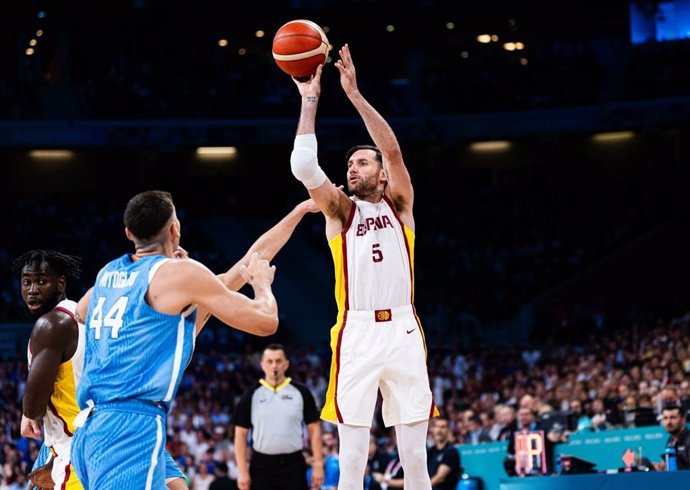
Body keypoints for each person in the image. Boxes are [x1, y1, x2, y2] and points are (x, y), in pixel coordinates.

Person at [289, 44, 437, 490]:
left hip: (405, 331)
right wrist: (309, 100)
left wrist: (353, 94)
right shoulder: (339, 211)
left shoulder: (401, 206)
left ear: (381, 174)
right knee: (351, 460)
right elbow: (302, 166)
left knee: (415, 457)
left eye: (361, 162)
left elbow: (392, 151)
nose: (352, 168)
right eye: (350, 163)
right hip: (356, 331)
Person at [68, 190, 280, 489]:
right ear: (174, 229)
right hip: (129, 427)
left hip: (92, 426)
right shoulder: (180, 275)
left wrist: (299, 212)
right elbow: (266, 322)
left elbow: (81, 310)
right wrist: (262, 285)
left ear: (129, 233)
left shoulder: (108, 273)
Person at [233, 344, 323, 490]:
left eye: (278, 361)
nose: (274, 365)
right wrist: (242, 471)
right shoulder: (251, 394)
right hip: (261, 465)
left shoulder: (301, 392)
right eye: (270, 361)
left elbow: (315, 429)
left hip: (294, 463)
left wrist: (318, 464)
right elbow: (240, 434)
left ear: (286, 364)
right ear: (262, 365)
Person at [653, 402, 690, 470]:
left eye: (673, 417)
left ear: (683, 420)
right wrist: (660, 467)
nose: (668, 422)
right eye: (665, 418)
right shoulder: (670, 440)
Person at [427, 416, 461, 490]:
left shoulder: (451, 451)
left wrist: (422, 487)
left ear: (448, 430)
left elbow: (440, 478)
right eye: (437, 426)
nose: (439, 430)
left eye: (443, 427)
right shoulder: (430, 451)